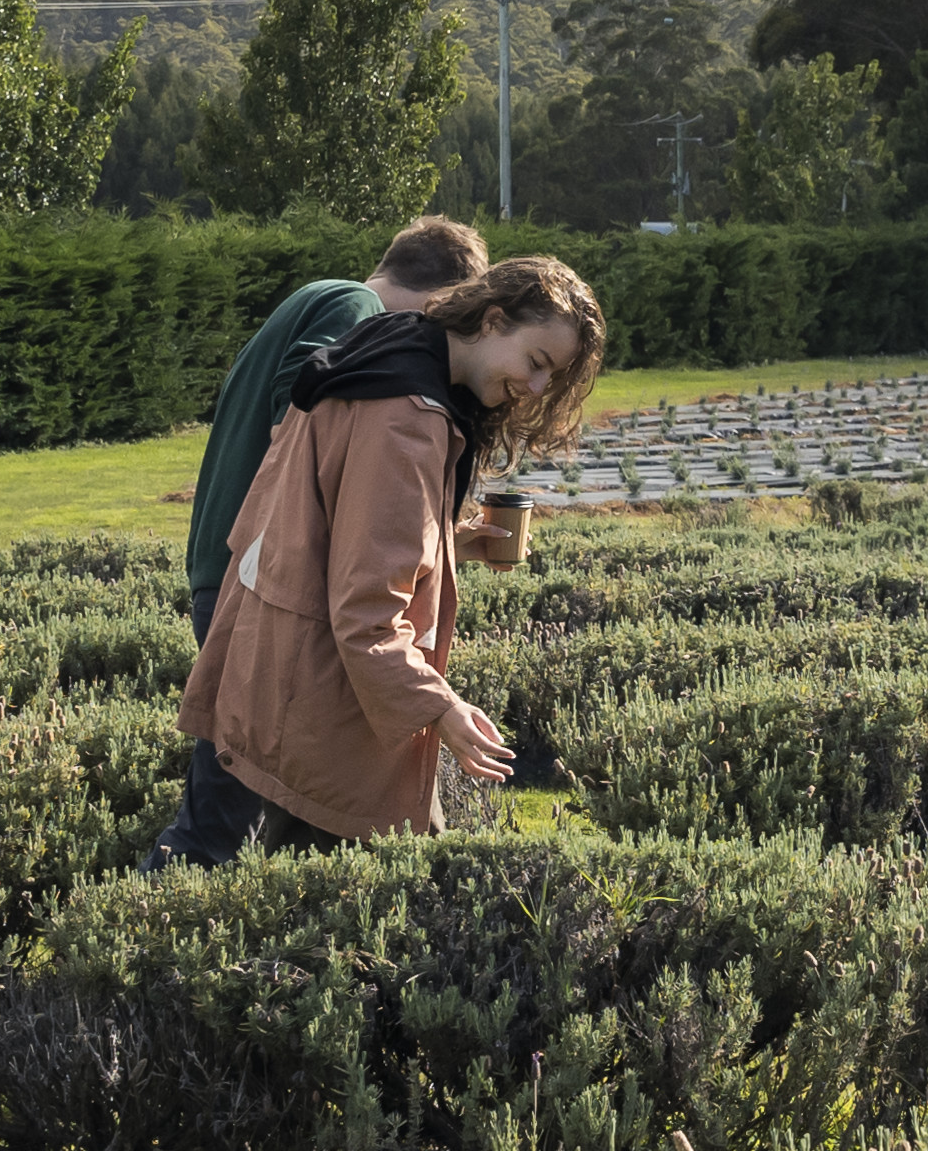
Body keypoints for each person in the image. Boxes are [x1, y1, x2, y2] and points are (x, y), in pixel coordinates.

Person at [170, 251, 605, 853]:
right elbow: (367, 613)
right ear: (491, 320)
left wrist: (444, 545)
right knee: (346, 887)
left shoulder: (387, 354)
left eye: (547, 378)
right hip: (323, 689)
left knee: (218, 847)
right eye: (536, 362)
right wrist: (442, 708)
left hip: (278, 650)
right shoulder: (410, 417)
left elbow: (330, 530)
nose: (533, 387)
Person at [152, 217, 484, 865]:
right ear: (440, 301)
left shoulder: (316, 297)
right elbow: (302, 422)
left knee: (260, 815)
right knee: (220, 831)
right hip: (258, 589)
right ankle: (135, 942)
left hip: (238, 576)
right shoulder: (349, 304)